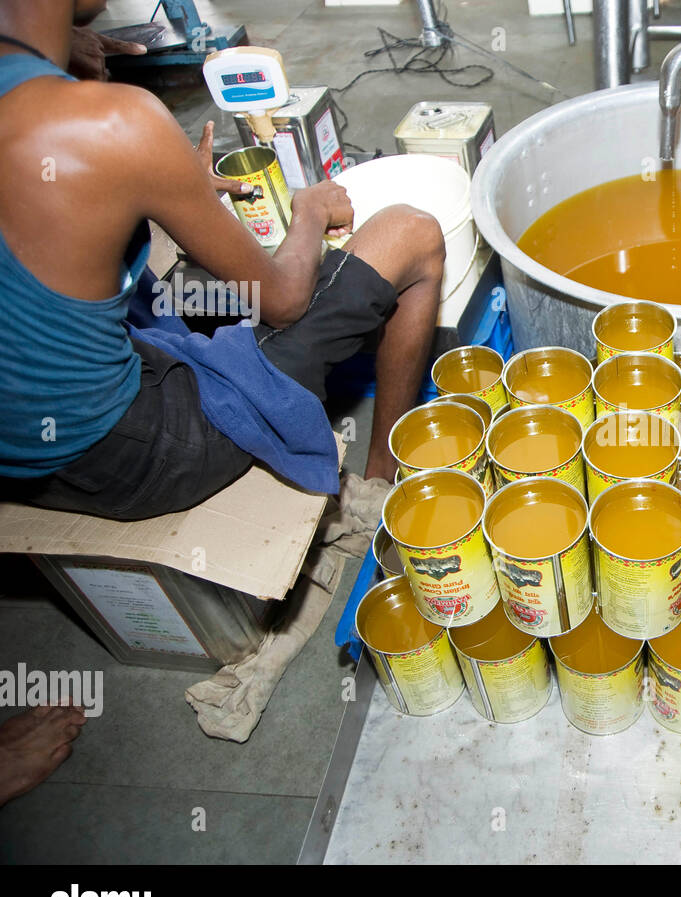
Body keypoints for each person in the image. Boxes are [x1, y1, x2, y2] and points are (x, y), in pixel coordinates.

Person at [0, 0, 446, 523]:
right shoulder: (116, 122)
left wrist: (164, 185)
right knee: (413, 233)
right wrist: (309, 210)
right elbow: (281, 302)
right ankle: (379, 486)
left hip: (21, 461)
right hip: (138, 456)